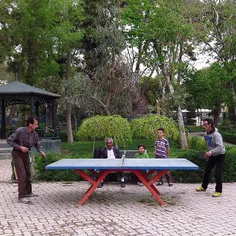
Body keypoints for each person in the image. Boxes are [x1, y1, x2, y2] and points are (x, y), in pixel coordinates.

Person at [7, 116, 46, 204]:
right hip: (17, 154)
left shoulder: (34, 133)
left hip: (26, 154)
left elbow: (37, 144)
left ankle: (28, 192)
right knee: (22, 175)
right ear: (30, 124)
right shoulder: (20, 131)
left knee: (28, 173)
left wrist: (41, 152)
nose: (37, 126)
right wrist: (20, 147)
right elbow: (9, 141)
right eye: (35, 124)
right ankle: (21, 197)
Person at [196, 118, 225, 197]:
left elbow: (220, 147)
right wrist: (208, 153)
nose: (203, 126)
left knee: (217, 173)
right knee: (207, 171)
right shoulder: (205, 134)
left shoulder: (217, 135)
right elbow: (209, 145)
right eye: (203, 124)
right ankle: (204, 186)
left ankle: (218, 191)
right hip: (212, 155)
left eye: (205, 125)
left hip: (220, 155)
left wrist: (210, 152)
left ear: (210, 125)